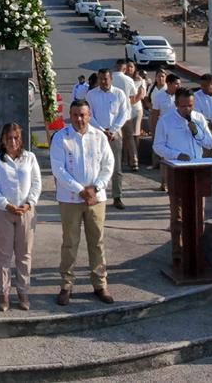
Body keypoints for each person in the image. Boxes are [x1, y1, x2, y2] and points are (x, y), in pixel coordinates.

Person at [49, 99, 115, 306]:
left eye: (83, 115)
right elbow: (58, 169)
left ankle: (100, 283)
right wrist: (80, 190)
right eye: (76, 115)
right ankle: (66, 285)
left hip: (96, 198)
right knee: (70, 242)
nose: (80, 119)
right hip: (70, 199)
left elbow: (108, 164)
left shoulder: (99, 137)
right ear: (70, 115)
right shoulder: (61, 138)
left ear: (89, 115)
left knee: (97, 241)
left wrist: (96, 187)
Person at [152, 88, 212, 272]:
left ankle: (197, 251)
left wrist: (197, 133)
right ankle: (178, 254)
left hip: (197, 171)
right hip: (177, 171)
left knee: (198, 214)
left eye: (190, 105)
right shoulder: (166, 121)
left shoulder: (199, 118)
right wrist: (176, 155)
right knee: (178, 216)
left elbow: (209, 143)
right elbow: (158, 146)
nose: (187, 109)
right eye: (184, 106)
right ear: (176, 105)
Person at [0, 122, 41, 312]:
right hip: (2, 213)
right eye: (9, 138)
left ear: (21, 139)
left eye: (16, 137)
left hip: (26, 212)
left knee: (24, 254)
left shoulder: (30, 158)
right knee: (3, 255)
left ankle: (23, 292)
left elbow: (36, 183)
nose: (13, 141)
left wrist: (29, 203)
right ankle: (4, 293)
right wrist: (7, 205)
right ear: (2, 139)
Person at [85, 67, 130, 210]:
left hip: (114, 134)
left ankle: (117, 196)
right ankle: (95, 194)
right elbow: (89, 115)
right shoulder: (91, 95)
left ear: (111, 79)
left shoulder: (119, 94)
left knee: (116, 167)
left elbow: (124, 113)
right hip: (96, 135)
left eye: (106, 79)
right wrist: (101, 130)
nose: (103, 82)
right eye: (101, 79)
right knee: (95, 166)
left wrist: (112, 130)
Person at [148, 73, 181, 192]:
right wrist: (153, 131)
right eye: (176, 84)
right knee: (165, 159)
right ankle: (164, 183)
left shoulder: (181, 96)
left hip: (179, 132)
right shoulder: (159, 97)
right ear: (169, 84)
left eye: (179, 84)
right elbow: (154, 115)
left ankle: (177, 183)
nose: (178, 86)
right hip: (164, 132)